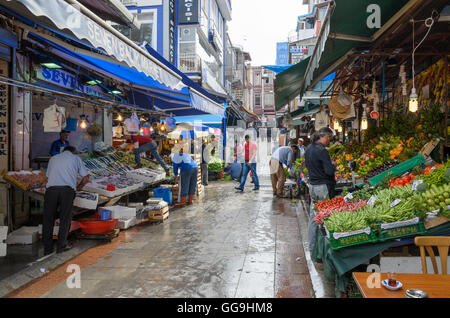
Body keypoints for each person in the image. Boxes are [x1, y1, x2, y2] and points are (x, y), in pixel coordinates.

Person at [43, 146, 90, 255]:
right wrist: (80, 187)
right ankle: (61, 246)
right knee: (65, 218)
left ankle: (47, 248)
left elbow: (47, 177)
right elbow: (86, 177)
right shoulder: (76, 159)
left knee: (48, 219)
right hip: (66, 191)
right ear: (74, 152)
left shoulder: (53, 158)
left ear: (63, 151)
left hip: (51, 191)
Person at [304, 127, 337, 256]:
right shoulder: (322, 151)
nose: (329, 141)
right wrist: (332, 165)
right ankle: (326, 252)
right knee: (326, 218)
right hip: (323, 187)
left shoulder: (309, 149)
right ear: (325, 137)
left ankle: (313, 250)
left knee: (314, 218)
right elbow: (329, 171)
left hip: (312, 186)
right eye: (329, 138)